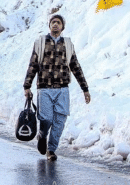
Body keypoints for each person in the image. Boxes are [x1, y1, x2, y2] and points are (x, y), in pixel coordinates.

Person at [24, 14, 91, 161]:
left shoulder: (67, 45)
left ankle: (51, 150)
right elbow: (33, 65)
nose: (55, 24)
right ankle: (42, 135)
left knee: (59, 122)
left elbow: (76, 67)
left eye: (58, 22)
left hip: (62, 89)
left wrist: (85, 89)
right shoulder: (40, 43)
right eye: (53, 22)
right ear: (49, 26)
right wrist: (27, 86)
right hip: (44, 89)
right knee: (46, 119)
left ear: (62, 27)